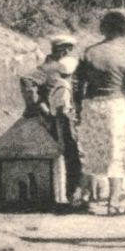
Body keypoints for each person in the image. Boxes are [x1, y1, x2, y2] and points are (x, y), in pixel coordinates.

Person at [75, 11, 125, 215]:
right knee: (118, 151)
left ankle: (82, 197)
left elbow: (79, 84)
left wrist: (79, 107)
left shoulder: (89, 52)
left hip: (92, 105)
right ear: (123, 30)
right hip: (117, 106)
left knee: (92, 151)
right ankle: (114, 200)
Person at [21, 35, 84, 203]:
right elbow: (27, 81)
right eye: (66, 48)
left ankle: (73, 193)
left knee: (75, 154)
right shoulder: (48, 67)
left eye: (70, 48)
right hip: (56, 118)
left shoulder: (68, 65)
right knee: (63, 154)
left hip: (70, 115)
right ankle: (63, 195)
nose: (68, 51)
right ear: (59, 49)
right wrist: (37, 106)